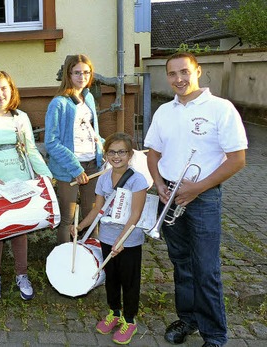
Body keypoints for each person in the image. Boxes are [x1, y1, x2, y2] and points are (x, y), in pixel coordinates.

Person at [145, 52, 247, 347]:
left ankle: (214, 335)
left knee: (206, 267)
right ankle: (188, 320)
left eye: (184, 72)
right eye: (172, 73)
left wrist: (197, 188)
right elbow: (153, 153)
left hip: (202, 197)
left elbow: (237, 159)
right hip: (169, 194)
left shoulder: (220, 108)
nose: (179, 79)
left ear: (198, 71)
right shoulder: (164, 111)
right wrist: (159, 183)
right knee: (180, 263)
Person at [0, 71, 53, 300]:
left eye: (4, 88)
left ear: (11, 90)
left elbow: (31, 150)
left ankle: (21, 275)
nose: (0, 93)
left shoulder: (20, 118)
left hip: (21, 182)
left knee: (19, 231)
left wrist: (46, 175)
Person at [74, 132, 147, 345]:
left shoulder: (137, 180)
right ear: (106, 155)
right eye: (112, 152)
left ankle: (130, 320)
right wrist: (80, 226)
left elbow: (135, 214)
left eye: (122, 152)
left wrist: (122, 240)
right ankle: (114, 313)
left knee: (129, 281)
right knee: (111, 279)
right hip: (106, 238)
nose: (117, 156)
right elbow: (98, 209)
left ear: (130, 154)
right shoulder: (104, 178)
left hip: (129, 241)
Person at [45, 54, 104, 245]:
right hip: (69, 169)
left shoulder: (89, 99)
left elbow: (92, 132)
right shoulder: (58, 103)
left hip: (92, 166)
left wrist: (104, 151)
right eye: (77, 72)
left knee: (91, 215)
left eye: (86, 72)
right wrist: (75, 168)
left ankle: (91, 261)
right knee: (67, 219)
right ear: (68, 75)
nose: (82, 77)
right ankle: (63, 264)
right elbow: (51, 142)